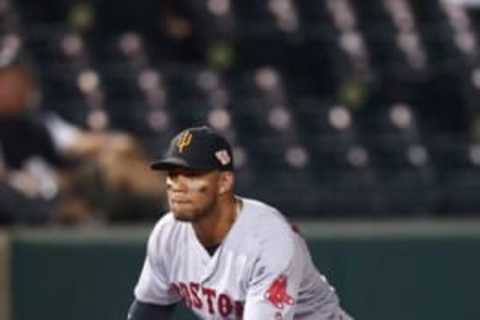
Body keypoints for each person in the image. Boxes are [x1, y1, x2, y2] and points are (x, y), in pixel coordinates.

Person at [128, 126, 353, 319]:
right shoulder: (168, 233)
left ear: (224, 181)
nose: (176, 185)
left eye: (192, 174)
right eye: (173, 174)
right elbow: (150, 310)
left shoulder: (269, 240)